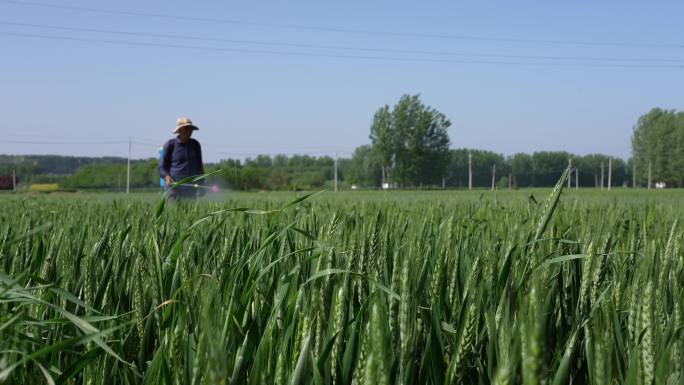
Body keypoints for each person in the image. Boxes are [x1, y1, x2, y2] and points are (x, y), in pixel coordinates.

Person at [159, 117, 204, 200]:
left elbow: (199, 167)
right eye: (186, 128)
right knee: (172, 212)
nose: (189, 131)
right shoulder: (170, 145)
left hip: (190, 188)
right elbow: (162, 167)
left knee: (189, 212)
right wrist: (166, 176)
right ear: (179, 130)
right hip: (173, 188)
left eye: (191, 129)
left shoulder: (195, 145)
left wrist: (202, 184)